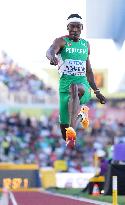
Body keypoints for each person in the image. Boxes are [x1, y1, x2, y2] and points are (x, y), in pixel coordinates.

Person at [46, 14, 106, 148]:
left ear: (81, 28)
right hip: (64, 87)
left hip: (82, 86)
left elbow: (89, 70)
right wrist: (51, 57)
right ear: (67, 27)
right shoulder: (61, 41)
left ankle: (72, 130)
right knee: (64, 133)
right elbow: (50, 50)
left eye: (77, 27)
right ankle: (81, 115)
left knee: (75, 87)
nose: (74, 29)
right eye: (72, 26)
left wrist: (97, 91)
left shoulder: (86, 45)